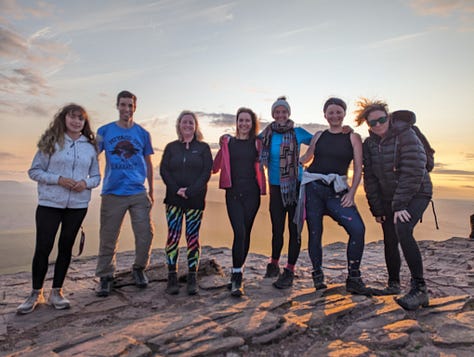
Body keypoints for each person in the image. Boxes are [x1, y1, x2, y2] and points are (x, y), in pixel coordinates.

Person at [17, 104, 100, 314]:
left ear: (85, 122)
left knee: (66, 247)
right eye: (72, 117)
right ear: (63, 119)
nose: (76, 122)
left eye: (81, 119)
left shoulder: (90, 147)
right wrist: (58, 179)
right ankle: (36, 293)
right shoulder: (51, 142)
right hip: (50, 204)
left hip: (78, 205)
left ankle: (57, 292)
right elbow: (34, 171)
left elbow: (96, 177)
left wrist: (85, 183)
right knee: (43, 247)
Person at [355, 98, 433, 310]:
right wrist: (378, 209)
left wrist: (399, 206)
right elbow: (370, 178)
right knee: (390, 235)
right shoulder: (369, 144)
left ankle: (420, 289)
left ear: (388, 118)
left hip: (418, 192)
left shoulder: (406, 134)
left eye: (381, 120)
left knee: (403, 228)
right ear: (367, 125)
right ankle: (393, 284)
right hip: (390, 197)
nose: (378, 125)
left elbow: (414, 169)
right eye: (372, 123)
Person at [296, 97, 370, 295]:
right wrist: (289, 158)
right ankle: (318, 275)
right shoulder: (319, 135)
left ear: (344, 114)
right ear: (325, 115)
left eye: (338, 112)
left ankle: (354, 277)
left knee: (357, 229)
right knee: (314, 232)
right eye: (331, 112)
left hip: (337, 191)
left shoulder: (352, 137)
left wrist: (352, 194)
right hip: (313, 187)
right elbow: (307, 157)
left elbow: (358, 167)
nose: (334, 116)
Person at [95, 90, 154, 297]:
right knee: (108, 235)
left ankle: (139, 269)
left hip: (138, 190)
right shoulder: (104, 131)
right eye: (123, 105)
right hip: (112, 191)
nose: (126, 109)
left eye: (130, 105)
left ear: (135, 107)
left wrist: (151, 191)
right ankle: (105, 276)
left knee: (145, 233)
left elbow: (148, 163)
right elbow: (92, 154)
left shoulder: (143, 134)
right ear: (117, 106)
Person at [212, 107, 266, 297]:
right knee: (239, 231)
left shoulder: (258, 143)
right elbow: (215, 167)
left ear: (252, 124)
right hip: (232, 194)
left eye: (247, 121)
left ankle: (238, 272)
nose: (243, 124)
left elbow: (277, 137)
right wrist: (222, 143)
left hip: (252, 194)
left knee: (246, 232)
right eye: (240, 120)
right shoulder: (229, 142)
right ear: (236, 123)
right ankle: (236, 276)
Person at [260, 96, 313, 289]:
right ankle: (273, 264)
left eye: (284, 111)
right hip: (275, 188)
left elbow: (319, 139)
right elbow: (248, 139)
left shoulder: (298, 132)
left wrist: (307, 157)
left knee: (294, 229)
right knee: (277, 228)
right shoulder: (267, 133)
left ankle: (289, 269)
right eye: (277, 112)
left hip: (295, 187)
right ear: (273, 114)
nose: (280, 115)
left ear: (288, 113)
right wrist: (227, 138)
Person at [160, 111, 212, 295]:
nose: (188, 125)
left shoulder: (204, 148)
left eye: (191, 122)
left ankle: (192, 277)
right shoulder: (171, 147)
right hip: (173, 199)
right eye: (184, 122)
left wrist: (189, 191)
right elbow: (164, 171)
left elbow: (206, 173)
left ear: (196, 126)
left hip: (195, 200)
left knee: (192, 238)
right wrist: (176, 189)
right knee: (173, 237)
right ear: (179, 125)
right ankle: (172, 276)